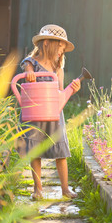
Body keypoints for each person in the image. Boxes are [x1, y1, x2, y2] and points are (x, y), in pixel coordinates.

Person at [19, 24, 81, 200]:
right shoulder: (31, 64)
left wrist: (72, 89)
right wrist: (29, 75)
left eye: (63, 49)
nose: (62, 51)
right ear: (46, 43)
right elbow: (27, 72)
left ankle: (65, 188)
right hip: (35, 113)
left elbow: (60, 93)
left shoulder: (57, 69)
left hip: (54, 113)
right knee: (35, 151)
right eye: (59, 46)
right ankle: (38, 189)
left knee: (60, 151)